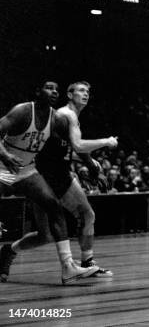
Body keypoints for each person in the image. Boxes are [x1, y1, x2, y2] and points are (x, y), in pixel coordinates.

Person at [1, 81, 118, 280]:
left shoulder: (58, 118)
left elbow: (72, 148)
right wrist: (105, 143)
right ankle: (84, 262)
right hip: (32, 170)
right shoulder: (39, 113)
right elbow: (78, 146)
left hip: (31, 170)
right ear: (69, 94)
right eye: (81, 90)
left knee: (46, 233)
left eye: (88, 91)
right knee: (83, 215)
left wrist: (91, 166)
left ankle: (13, 252)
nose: (86, 94)